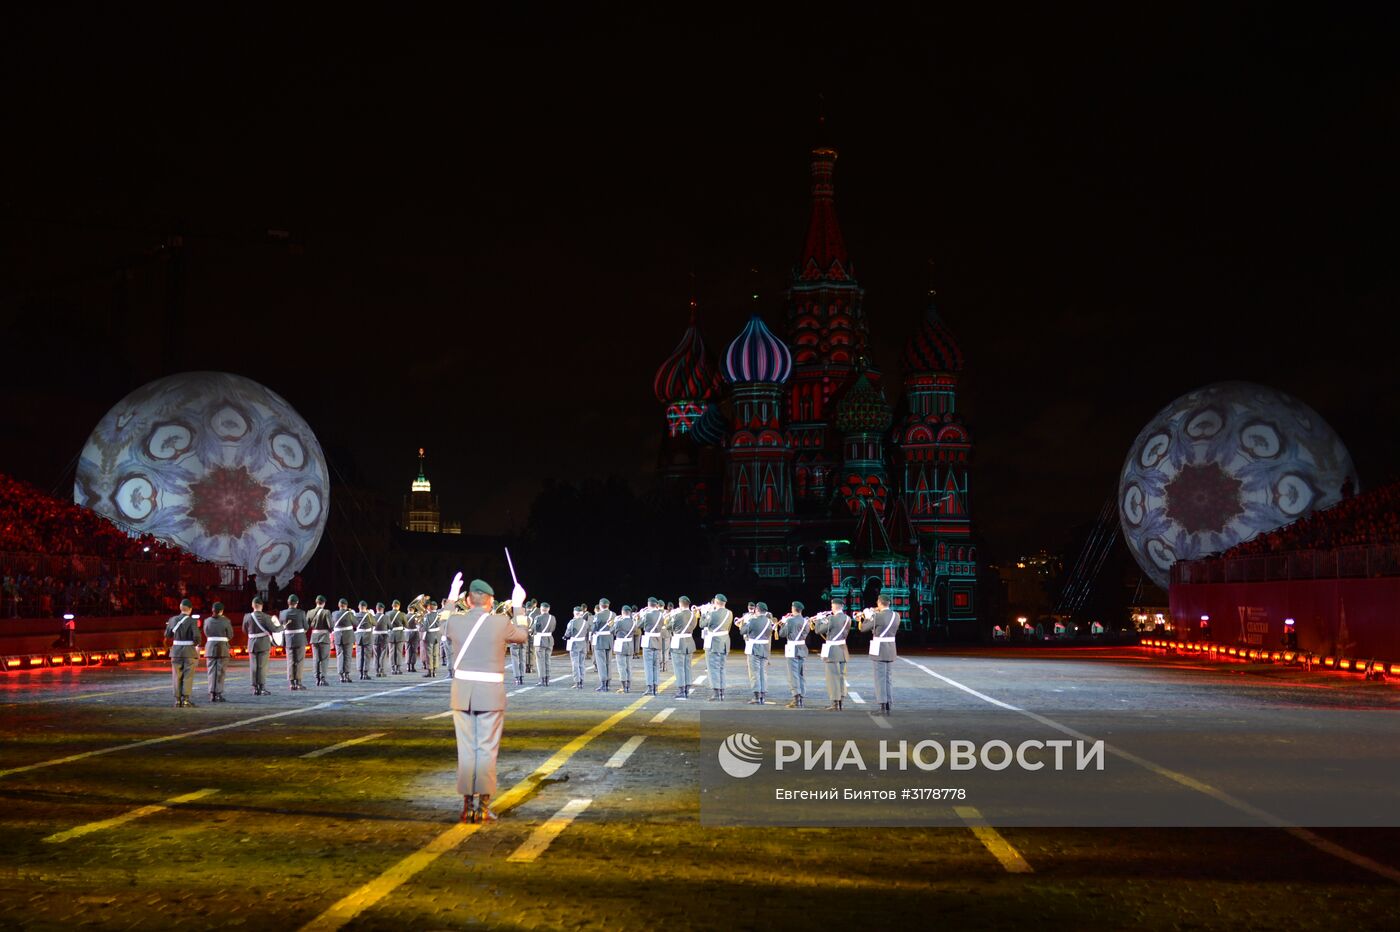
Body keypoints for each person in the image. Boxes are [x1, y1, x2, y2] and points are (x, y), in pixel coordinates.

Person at [438, 575, 527, 824]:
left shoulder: (455, 621)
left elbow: (441, 625)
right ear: (490, 602)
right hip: (490, 696)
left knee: (466, 751)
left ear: (468, 600)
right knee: (486, 750)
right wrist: (519, 604)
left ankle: (467, 807)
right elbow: (522, 635)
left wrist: (451, 596)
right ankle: (483, 807)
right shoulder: (500, 622)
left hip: (462, 694)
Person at [856, 595, 898, 715]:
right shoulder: (896, 615)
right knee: (888, 678)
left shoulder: (877, 617)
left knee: (880, 678)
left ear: (879, 603)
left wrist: (866, 618)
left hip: (879, 649)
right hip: (891, 649)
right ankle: (889, 703)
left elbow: (863, 628)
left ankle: (882, 706)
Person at [813, 597, 851, 711]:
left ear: (834, 606)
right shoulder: (848, 618)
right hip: (843, 649)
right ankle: (841, 702)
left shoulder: (832, 618)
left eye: (831, 605)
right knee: (841, 677)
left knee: (832, 677)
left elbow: (818, 630)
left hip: (833, 650)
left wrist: (819, 620)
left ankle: (835, 703)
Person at [165, 598, 200, 707]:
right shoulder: (192, 621)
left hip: (176, 651)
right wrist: (194, 644)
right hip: (189, 651)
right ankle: (186, 699)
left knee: (176, 675)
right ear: (190, 609)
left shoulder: (172, 620)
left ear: (180, 608)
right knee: (188, 676)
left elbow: (167, 635)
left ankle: (177, 700)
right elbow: (197, 637)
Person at [241, 596, 279, 695]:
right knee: (262, 666)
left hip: (252, 643)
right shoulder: (266, 617)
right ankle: (261, 687)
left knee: (253, 666)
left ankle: (255, 688)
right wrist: (282, 627)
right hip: (263, 644)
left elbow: (244, 630)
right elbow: (274, 629)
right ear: (261, 606)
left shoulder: (247, 617)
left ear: (252, 606)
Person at [741, 601, 776, 705]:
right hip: (765, 648)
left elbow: (742, 631)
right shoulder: (770, 622)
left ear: (757, 610)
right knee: (763, 672)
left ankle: (757, 696)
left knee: (754, 672)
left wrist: (746, 622)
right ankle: (763, 696)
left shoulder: (752, 621)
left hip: (754, 648)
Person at [700, 595, 732, 701]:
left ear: (716, 602)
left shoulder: (712, 614)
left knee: (713, 668)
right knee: (722, 667)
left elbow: (702, 624)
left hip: (714, 643)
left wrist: (704, 613)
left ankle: (716, 693)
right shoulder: (729, 613)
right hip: (725, 642)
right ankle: (722, 691)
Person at [778, 601, 809, 709]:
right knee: (800, 674)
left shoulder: (790, 621)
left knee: (793, 674)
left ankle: (796, 698)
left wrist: (784, 623)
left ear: (793, 609)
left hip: (793, 649)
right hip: (802, 649)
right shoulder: (806, 621)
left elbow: (782, 634)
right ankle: (801, 696)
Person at [666, 597, 698, 699]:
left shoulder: (677, 615)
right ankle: (687, 688)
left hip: (679, 643)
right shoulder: (694, 615)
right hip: (689, 642)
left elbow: (668, 627)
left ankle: (681, 689)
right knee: (687, 666)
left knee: (679, 667)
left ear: (680, 604)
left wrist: (671, 616)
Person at [202, 601, 233, 703]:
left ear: (212, 610)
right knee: (220, 671)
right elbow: (230, 635)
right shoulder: (226, 621)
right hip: (222, 648)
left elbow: (205, 632)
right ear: (221, 611)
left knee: (211, 671)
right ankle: (218, 694)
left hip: (210, 647)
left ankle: (212, 693)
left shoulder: (207, 621)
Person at [638, 597, 667, 697]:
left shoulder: (647, 615)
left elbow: (639, 625)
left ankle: (650, 687)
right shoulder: (661, 615)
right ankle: (656, 687)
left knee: (648, 665)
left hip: (649, 641)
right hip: (657, 641)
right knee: (656, 665)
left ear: (648, 604)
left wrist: (642, 615)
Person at [280, 594, 309, 690]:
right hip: (300, 639)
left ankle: (291, 683)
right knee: (299, 661)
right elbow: (306, 627)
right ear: (297, 603)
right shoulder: (301, 613)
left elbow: (280, 626)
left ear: (288, 603)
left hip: (288, 640)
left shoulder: (282, 613)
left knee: (290, 661)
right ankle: (299, 682)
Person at [306, 595, 334, 686]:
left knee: (316, 658)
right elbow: (331, 626)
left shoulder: (310, 612)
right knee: (324, 659)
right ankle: (323, 678)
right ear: (324, 603)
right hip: (324, 637)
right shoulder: (326, 612)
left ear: (316, 602)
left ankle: (317, 678)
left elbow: (307, 626)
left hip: (314, 637)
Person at [611, 605, 639, 693]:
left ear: (622, 612)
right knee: (629, 666)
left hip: (620, 645)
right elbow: (634, 631)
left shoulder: (619, 622)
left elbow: (612, 631)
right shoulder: (633, 622)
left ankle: (623, 686)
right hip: (630, 645)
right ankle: (629, 686)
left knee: (621, 666)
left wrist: (615, 622)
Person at [591, 599, 615, 692]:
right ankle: (608, 682)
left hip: (600, 640)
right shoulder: (613, 615)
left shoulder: (598, 615)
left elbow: (594, 628)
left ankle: (603, 683)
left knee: (601, 663)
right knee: (608, 662)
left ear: (600, 606)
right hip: (609, 639)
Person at [332, 598, 357, 683]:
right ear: (346, 606)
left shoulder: (334, 614)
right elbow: (356, 623)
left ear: (339, 605)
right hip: (348, 637)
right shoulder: (349, 613)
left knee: (339, 655)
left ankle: (341, 675)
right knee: (347, 656)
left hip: (338, 637)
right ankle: (346, 674)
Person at [565, 606, 590, 689]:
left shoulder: (572, 622)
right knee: (582, 663)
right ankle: (582, 681)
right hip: (583, 644)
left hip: (574, 644)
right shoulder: (585, 622)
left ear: (575, 613)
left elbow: (568, 633)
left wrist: (565, 636)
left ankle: (577, 682)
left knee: (575, 663)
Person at [508, 598, 531, 687]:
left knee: (515, 659)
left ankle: (517, 677)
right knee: (522, 658)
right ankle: (522, 676)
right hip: (523, 640)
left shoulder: (512, 619)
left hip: (515, 641)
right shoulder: (527, 619)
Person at [532, 601, 555, 686]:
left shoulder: (538, 617)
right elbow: (554, 627)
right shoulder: (553, 618)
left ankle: (542, 679)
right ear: (548, 609)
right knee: (547, 660)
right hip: (549, 640)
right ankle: (547, 679)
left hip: (540, 640)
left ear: (541, 609)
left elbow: (534, 628)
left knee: (540, 661)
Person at [354, 601, 376, 681]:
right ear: (366, 607)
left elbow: (354, 624)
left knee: (359, 654)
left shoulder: (355, 615)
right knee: (367, 655)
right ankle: (365, 673)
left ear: (358, 607)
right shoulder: (369, 615)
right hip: (368, 636)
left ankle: (360, 673)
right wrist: (372, 614)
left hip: (359, 636)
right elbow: (375, 623)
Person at [386, 599, 408, 674]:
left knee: (391, 652)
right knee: (399, 652)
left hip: (391, 635)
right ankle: (398, 668)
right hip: (399, 635)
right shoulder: (402, 614)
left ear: (392, 606)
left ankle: (392, 668)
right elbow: (406, 625)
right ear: (399, 606)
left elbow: (386, 625)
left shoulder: (387, 614)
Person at [421, 599, 443, 677]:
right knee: (435, 654)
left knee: (429, 654)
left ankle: (430, 671)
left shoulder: (427, 616)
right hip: (437, 636)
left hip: (429, 636)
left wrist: (420, 626)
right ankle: (435, 671)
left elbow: (425, 628)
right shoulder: (440, 615)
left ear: (430, 607)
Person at [372, 601, 391, 677]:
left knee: (376, 654)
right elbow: (390, 626)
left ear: (376, 609)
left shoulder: (373, 617)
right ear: (383, 609)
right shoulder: (386, 617)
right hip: (384, 637)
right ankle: (381, 670)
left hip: (375, 637)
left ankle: (376, 670)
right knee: (383, 654)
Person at [405, 599, 422, 673]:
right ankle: (413, 666)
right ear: (414, 609)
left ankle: (408, 666)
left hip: (407, 634)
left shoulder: (404, 616)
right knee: (414, 651)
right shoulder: (417, 616)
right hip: (415, 634)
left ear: (408, 609)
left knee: (408, 650)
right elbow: (420, 625)